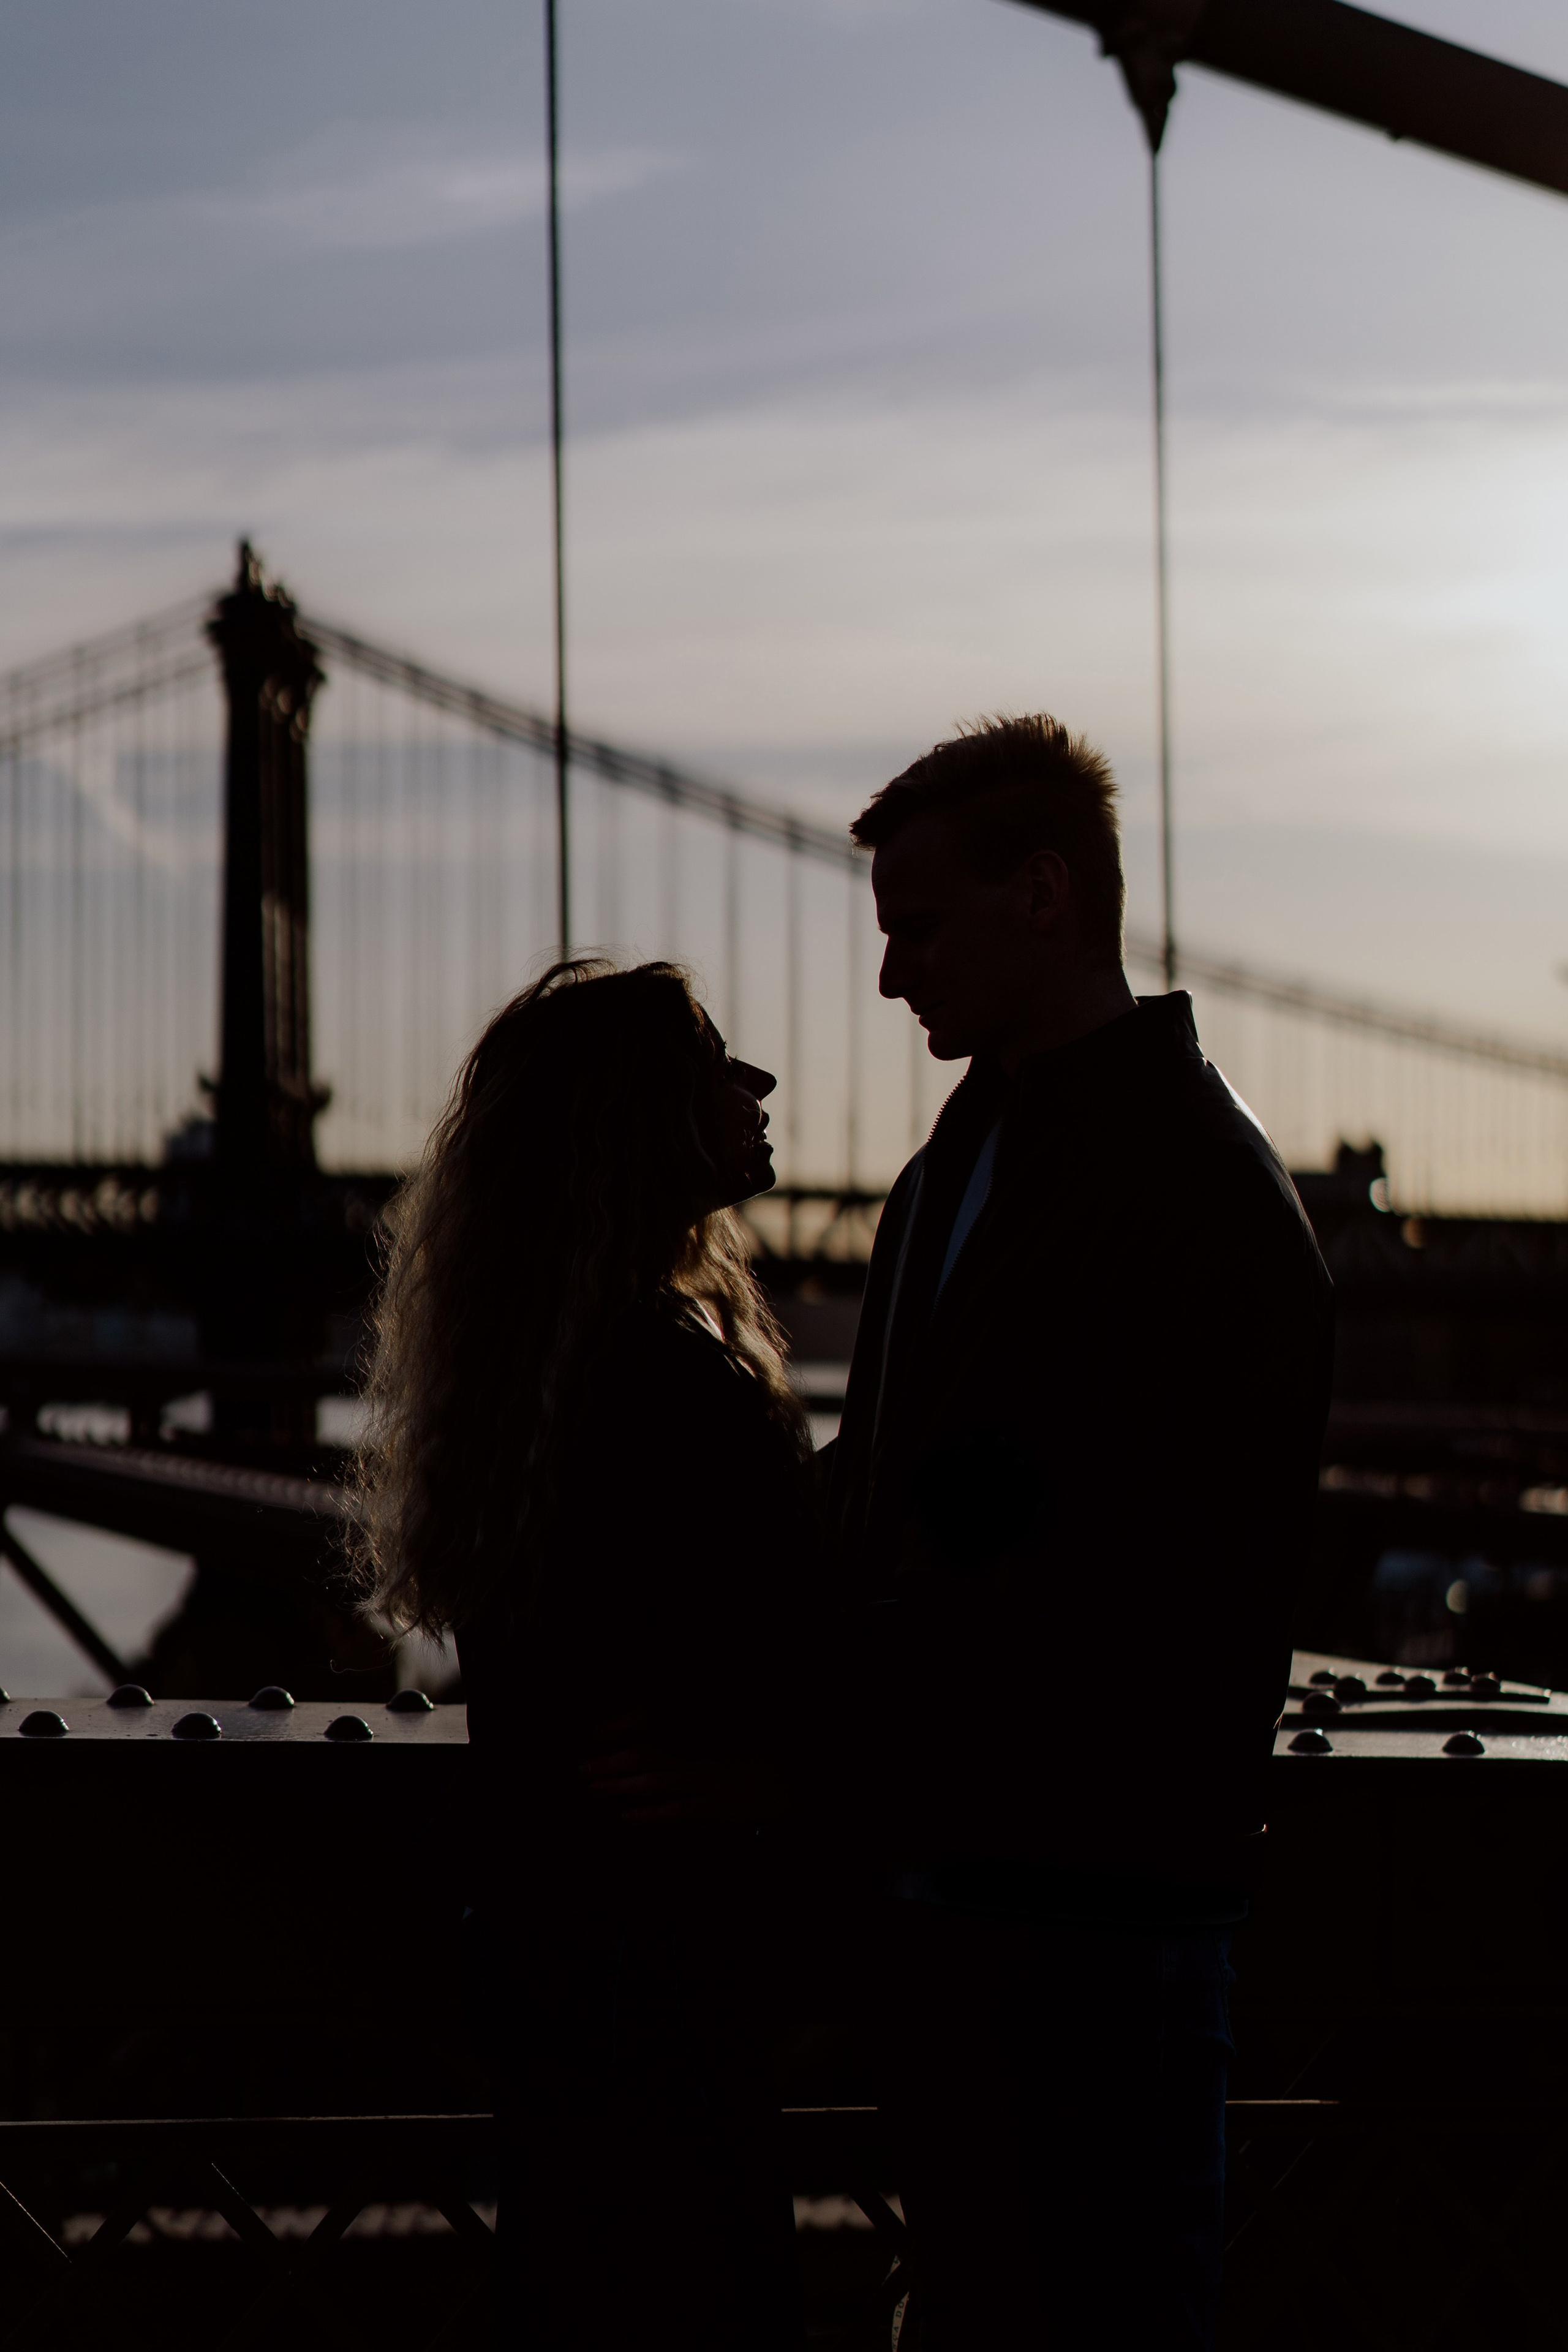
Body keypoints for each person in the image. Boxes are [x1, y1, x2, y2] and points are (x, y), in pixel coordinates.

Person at [828, 715, 1333, 2349]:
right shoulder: (951, 1168)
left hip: (1103, 1928)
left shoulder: (1202, 1187)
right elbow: (888, 1500)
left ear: (1042, 894)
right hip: (966, 1907)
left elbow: (1093, 1563)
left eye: (918, 927)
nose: (891, 975)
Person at [353, 959, 814, 2350]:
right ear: (636, 1117)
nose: (757, 1084)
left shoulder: (549, 1378)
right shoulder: (668, 1377)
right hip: (669, 1975)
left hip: (563, 1969)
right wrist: (789, 1776)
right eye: (716, 1062)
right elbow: (788, 1633)